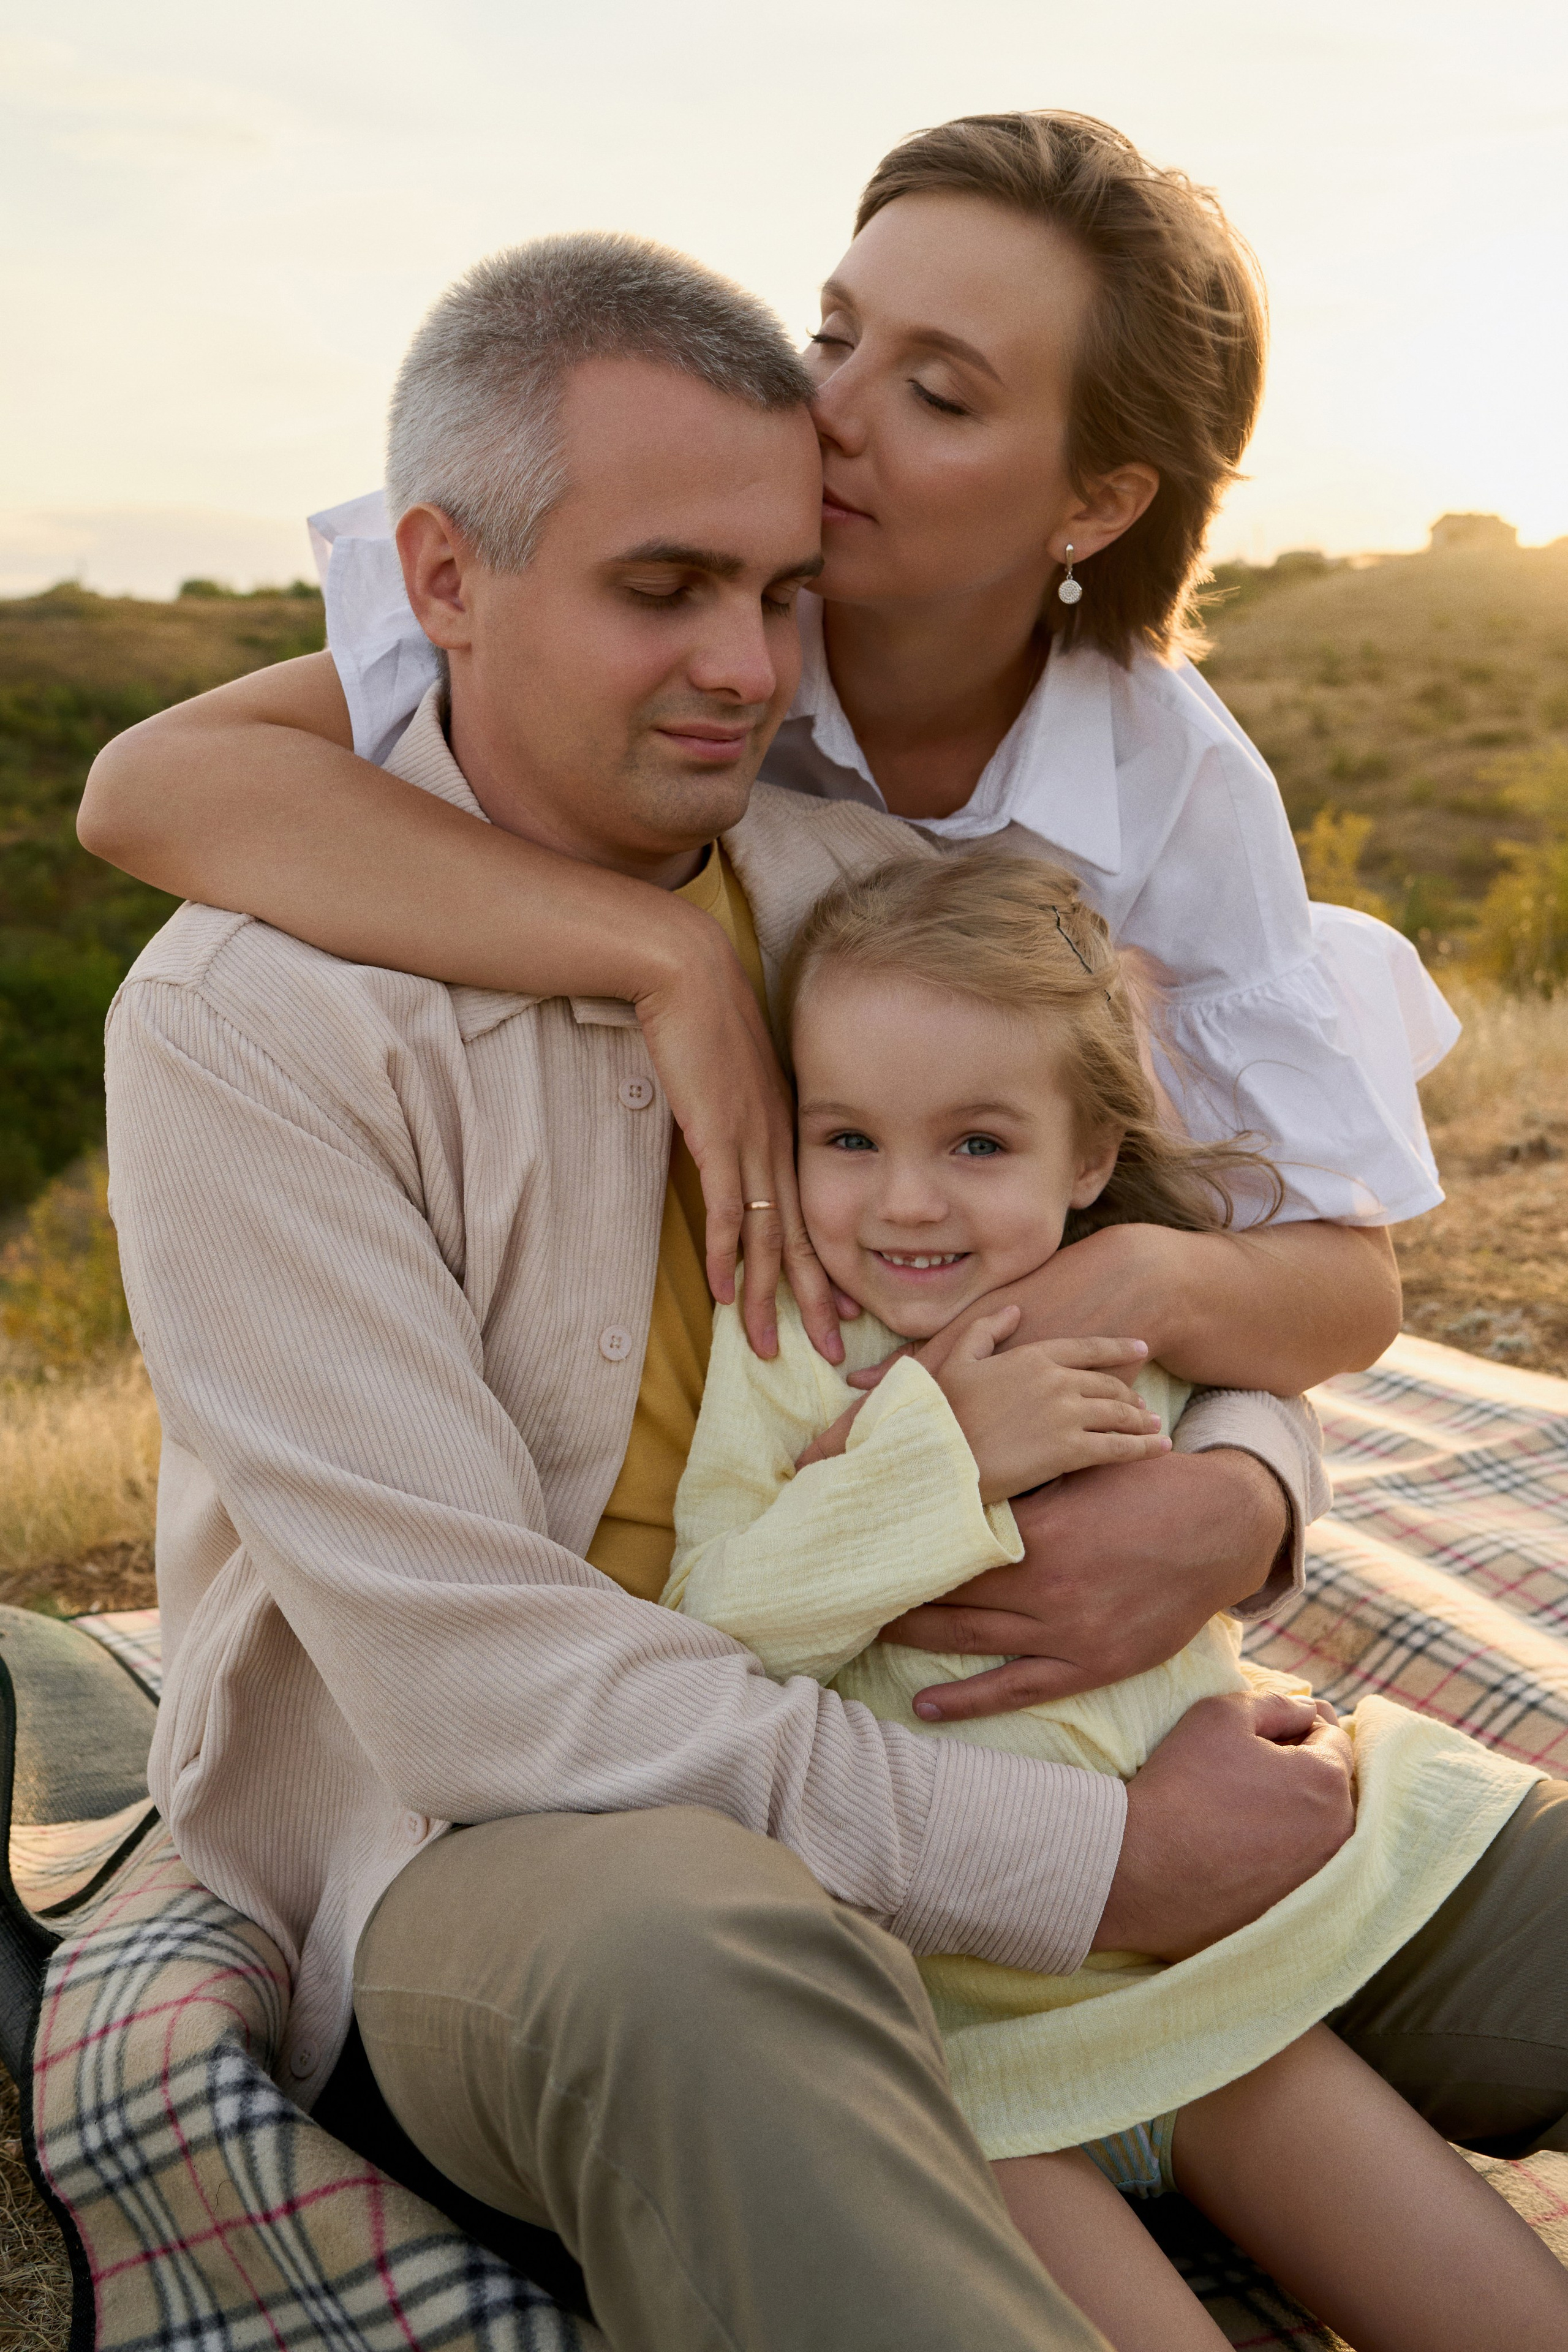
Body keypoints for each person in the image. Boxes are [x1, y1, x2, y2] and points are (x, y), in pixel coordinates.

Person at [105, 234, 1347, 2352]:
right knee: (711, 1963)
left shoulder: (867, 897)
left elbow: (1206, 1261)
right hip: (508, 1850)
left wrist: (1250, 1490)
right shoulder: (248, 1025)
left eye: (786, 597)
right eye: (662, 588)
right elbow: (489, 1700)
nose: (750, 667)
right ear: (446, 577)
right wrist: (1098, 1871)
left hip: (986, 1700)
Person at [80, 111, 1427, 1477]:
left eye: (939, 394)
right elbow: (154, 787)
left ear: (1093, 504)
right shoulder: (676, 558)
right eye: (835, 337)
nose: (829, 415)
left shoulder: (1167, 780)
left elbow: (1339, 1277)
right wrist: (668, 955)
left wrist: (1175, 1359)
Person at [663, 847, 1562, 2352]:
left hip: (1240, 1979)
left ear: (1084, 1158)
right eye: (845, 1138)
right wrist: (936, 1455)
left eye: (975, 1145)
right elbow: (716, 1629)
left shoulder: (1124, 1299)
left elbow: (1287, 1389)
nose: (901, 1205)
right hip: (978, 2052)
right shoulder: (784, 1349)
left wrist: (1246, 1489)